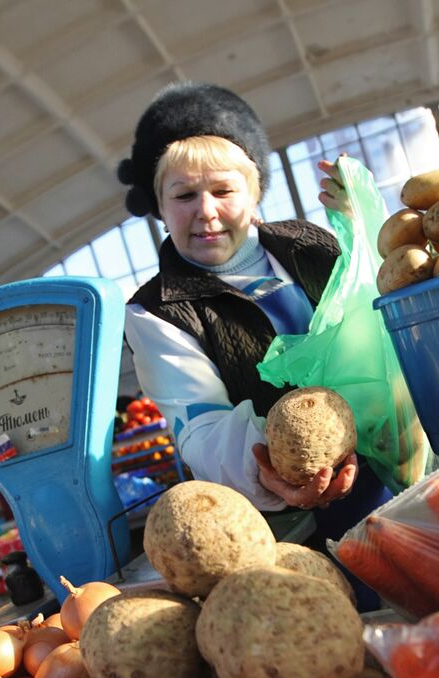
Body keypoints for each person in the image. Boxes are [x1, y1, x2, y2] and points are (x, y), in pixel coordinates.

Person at [118, 82, 389, 527]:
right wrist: (271, 467)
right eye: (184, 195)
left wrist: (364, 236)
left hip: (397, 461)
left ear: (254, 192)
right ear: (160, 208)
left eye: (223, 191)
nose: (205, 211)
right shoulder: (155, 312)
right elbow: (202, 429)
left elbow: (378, 321)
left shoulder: (311, 245)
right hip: (299, 517)